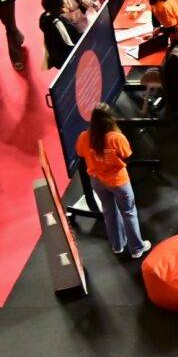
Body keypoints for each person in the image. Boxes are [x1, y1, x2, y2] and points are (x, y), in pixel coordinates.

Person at [76, 103, 149, 261]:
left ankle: (117, 245)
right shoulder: (116, 138)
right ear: (110, 119)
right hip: (118, 182)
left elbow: (81, 153)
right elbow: (127, 154)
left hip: (97, 181)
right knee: (128, 213)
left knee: (109, 211)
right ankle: (137, 248)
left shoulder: (83, 137)